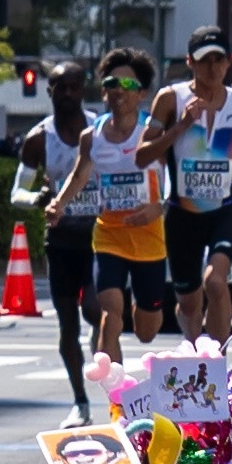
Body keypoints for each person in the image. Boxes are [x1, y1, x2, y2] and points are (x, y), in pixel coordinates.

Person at [139, 22, 232, 344]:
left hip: (222, 212)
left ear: (229, 61)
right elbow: (142, 155)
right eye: (204, 60)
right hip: (182, 216)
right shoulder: (171, 99)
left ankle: (218, 363)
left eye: (218, 60)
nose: (212, 68)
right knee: (190, 303)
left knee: (216, 282)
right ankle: (199, 355)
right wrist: (181, 126)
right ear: (190, 62)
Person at [46, 47, 167, 370]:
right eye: (112, 84)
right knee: (109, 311)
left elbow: (176, 186)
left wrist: (158, 209)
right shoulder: (93, 136)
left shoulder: (153, 134)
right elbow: (79, 174)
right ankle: (115, 392)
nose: (118, 92)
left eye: (127, 86)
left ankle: (142, 305)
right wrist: (58, 204)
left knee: (146, 331)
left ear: (141, 94)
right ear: (103, 91)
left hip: (149, 240)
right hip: (108, 236)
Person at [11, 60, 96, 423]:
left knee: (96, 309)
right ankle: (80, 401)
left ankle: (105, 357)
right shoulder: (38, 140)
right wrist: (38, 200)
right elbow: (17, 192)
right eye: (60, 87)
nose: (67, 94)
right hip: (61, 239)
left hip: (98, 236)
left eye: (73, 87)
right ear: (49, 91)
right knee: (68, 324)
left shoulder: (100, 131)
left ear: (83, 90)